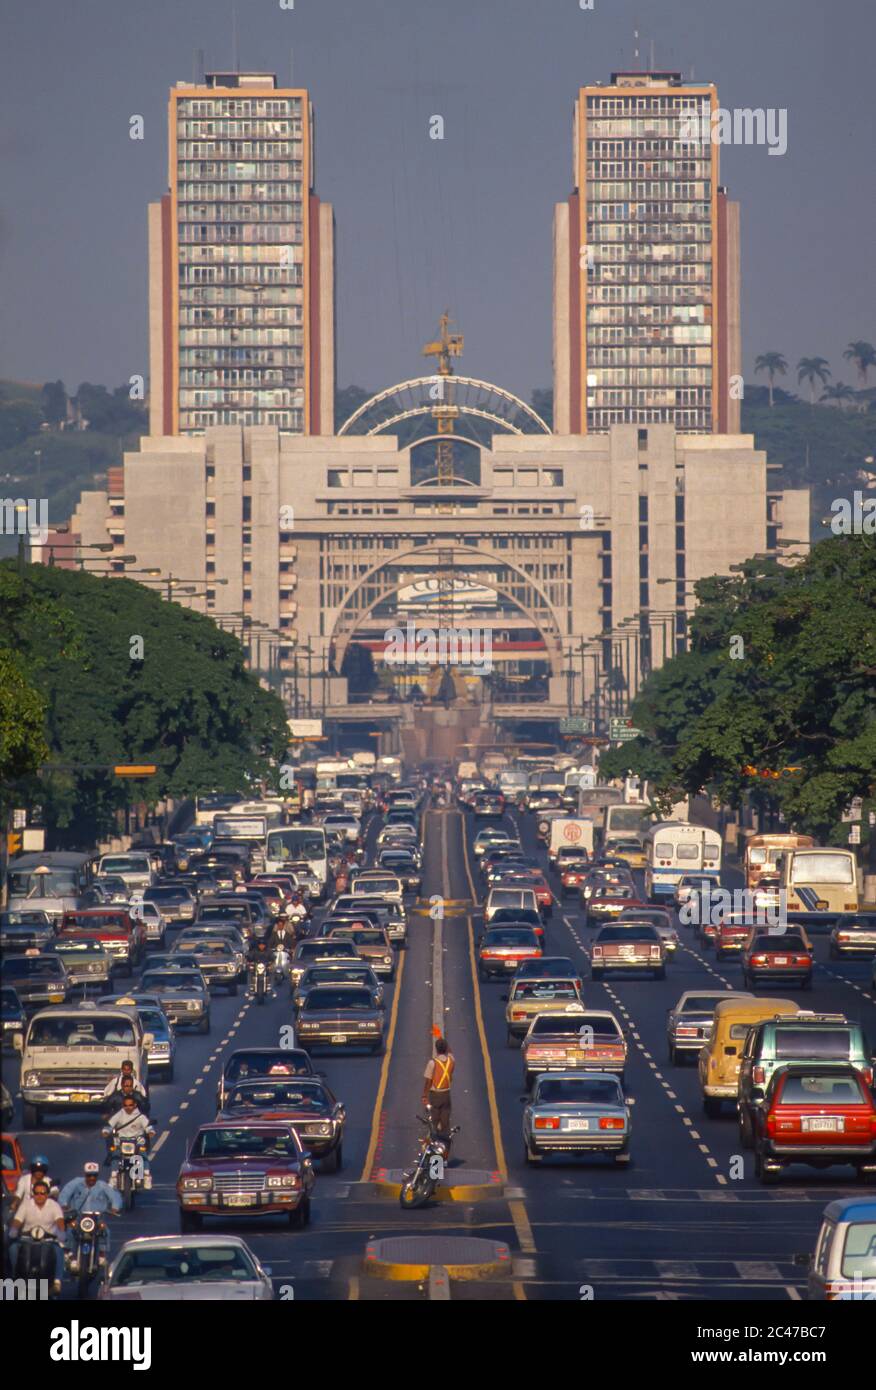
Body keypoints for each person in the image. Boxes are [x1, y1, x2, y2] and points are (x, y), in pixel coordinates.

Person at [8, 1178, 66, 1292]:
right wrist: (14, 1229)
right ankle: (15, 1277)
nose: (40, 1196)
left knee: (59, 1251)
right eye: (37, 1193)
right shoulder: (26, 1204)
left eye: (43, 1193)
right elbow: (17, 1220)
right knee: (12, 1248)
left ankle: (57, 1281)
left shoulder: (54, 1205)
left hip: (48, 1240)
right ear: (33, 1194)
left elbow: (60, 1221)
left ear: (47, 1194)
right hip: (27, 1239)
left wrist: (61, 1232)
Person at [59, 1161, 122, 1265]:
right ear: (85, 1175)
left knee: (104, 1231)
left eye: (94, 1175)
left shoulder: (103, 1186)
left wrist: (115, 1207)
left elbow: (115, 1196)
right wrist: (64, 1204)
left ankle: (101, 1254)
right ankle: (69, 1254)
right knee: (71, 1230)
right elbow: (65, 1193)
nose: (92, 1178)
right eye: (89, 1175)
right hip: (79, 1216)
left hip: (97, 1218)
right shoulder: (76, 1183)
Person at [104, 1095, 156, 1188]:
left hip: (137, 1140)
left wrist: (150, 1132)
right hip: (121, 1140)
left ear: (135, 1105)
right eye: (125, 1105)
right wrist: (106, 1131)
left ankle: (147, 1176)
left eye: (130, 1105)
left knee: (143, 1155)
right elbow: (110, 1125)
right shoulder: (119, 1115)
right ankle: (114, 1177)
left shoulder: (140, 1117)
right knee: (115, 1155)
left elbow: (148, 1127)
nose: (128, 1107)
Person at [421, 1036, 455, 1140]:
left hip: (435, 1095)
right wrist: (446, 1044)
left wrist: (424, 1096)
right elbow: (451, 1052)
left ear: (436, 1049)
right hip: (446, 1095)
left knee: (435, 1119)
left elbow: (428, 1081)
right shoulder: (451, 1061)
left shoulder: (432, 1063)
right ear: (445, 1048)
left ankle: (435, 1140)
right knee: (445, 1119)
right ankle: (446, 1141)